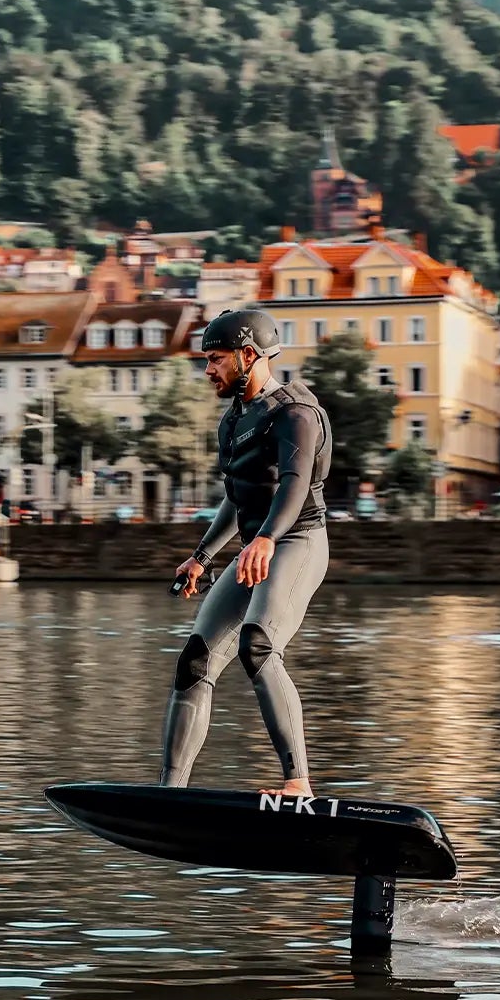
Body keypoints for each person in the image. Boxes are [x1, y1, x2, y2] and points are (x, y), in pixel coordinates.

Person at [161, 309, 333, 798]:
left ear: (248, 355)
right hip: (257, 545)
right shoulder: (235, 418)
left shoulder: (295, 414)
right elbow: (238, 498)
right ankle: (169, 794)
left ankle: (297, 783)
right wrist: (202, 556)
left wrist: (267, 538)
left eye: (216, 359)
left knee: (257, 646)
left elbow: (294, 484)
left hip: (296, 541)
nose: (208, 370)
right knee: (195, 660)